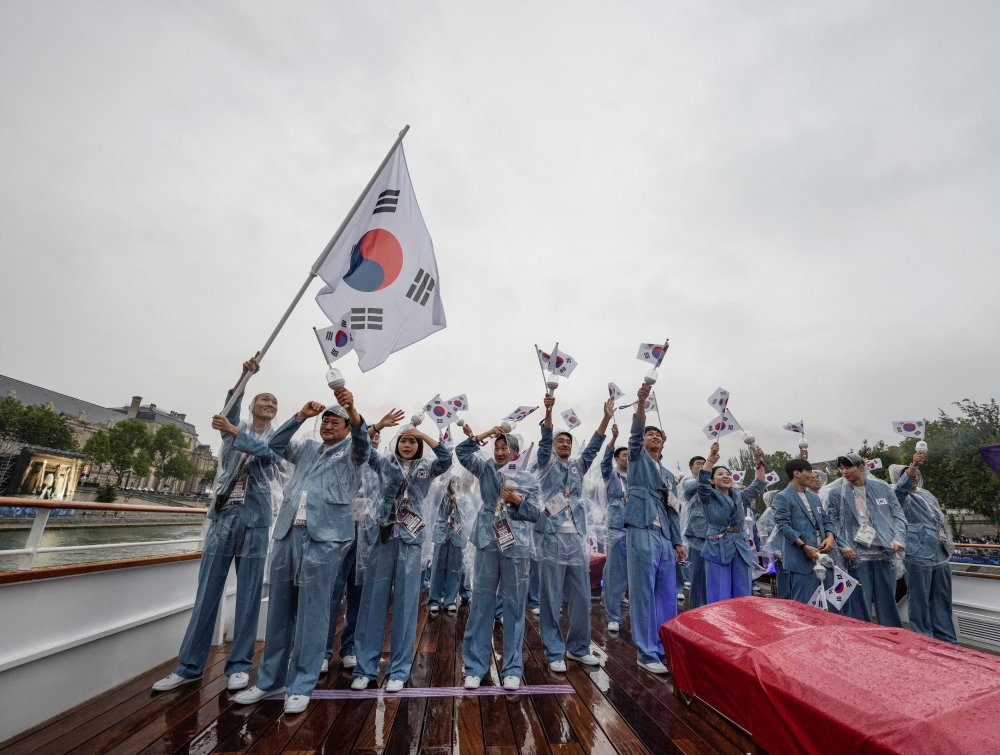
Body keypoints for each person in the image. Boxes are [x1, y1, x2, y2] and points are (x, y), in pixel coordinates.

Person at [233, 387, 372, 715]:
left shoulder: (354, 451)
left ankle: (302, 682)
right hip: (287, 533)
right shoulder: (307, 448)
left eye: (335, 422)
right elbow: (275, 445)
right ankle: (270, 679)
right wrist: (300, 416)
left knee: (314, 611)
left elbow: (364, 441)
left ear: (346, 428)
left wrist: (352, 410)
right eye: (325, 420)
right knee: (279, 609)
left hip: (324, 540)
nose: (328, 425)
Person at [153, 356, 280, 693]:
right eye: (264, 399)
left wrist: (235, 431)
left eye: (275, 402)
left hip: (256, 520)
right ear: (253, 406)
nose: (270, 403)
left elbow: (268, 458)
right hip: (225, 516)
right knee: (207, 591)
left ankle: (239, 665)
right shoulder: (230, 430)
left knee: (250, 594)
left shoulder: (278, 438)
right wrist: (245, 375)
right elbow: (230, 409)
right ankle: (189, 665)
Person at [351, 426, 452, 690]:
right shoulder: (385, 463)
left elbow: (446, 460)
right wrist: (377, 427)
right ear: (396, 444)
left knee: (407, 605)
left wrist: (425, 437)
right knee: (373, 603)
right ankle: (365, 668)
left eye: (412, 441)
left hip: (411, 539)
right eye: (404, 441)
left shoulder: (426, 468)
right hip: (384, 537)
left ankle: (398, 670)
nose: (408, 445)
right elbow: (362, 448)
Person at [456, 422, 540, 691]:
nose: (501, 451)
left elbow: (536, 514)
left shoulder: (527, 477)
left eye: (506, 447)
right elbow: (462, 451)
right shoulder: (486, 468)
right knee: (481, 603)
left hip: (516, 544)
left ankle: (513, 668)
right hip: (486, 539)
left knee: (515, 605)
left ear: (516, 452)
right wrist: (487, 433)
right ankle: (475, 666)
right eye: (498, 447)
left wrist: (518, 501)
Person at [322, 410, 405, 675]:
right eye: (370, 435)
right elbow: (357, 443)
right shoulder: (346, 459)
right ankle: (322, 651)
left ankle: (349, 649)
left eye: (378, 436)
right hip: (339, 532)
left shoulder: (382, 466)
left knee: (358, 596)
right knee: (331, 594)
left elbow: (397, 484)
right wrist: (375, 426)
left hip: (367, 537)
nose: (374, 439)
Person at [533, 395, 610, 671]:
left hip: (575, 537)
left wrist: (606, 418)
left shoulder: (577, 466)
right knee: (551, 596)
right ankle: (554, 651)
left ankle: (578, 647)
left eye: (568, 441)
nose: (565, 444)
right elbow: (544, 442)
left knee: (581, 595)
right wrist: (549, 411)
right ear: (554, 446)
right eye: (560, 441)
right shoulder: (545, 463)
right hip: (551, 536)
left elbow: (592, 449)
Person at [625, 383, 686, 674]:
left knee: (666, 592)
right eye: (650, 433)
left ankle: (664, 645)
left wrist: (677, 542)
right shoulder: (637, 460)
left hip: (664, 536)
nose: (654, 436)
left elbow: (674, 510)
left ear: (664, 442)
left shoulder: (669, 475)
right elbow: (635, 434)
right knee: (642, 591)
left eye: (658, 434)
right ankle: (645, 651)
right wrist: (641, 402)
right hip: (641, 527)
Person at [822, 453, 906, 626]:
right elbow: (830, 522)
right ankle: (862, 637)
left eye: (848, 467)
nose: (844, 472)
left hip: (885, 549)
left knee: (887, 598)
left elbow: (898, 515)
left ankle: (893, 637)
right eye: (841, 468)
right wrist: (843, 545)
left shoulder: (882, 488)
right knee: (860, 599)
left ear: (861, 467)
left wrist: (898, 538)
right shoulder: (836, 493)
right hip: (855, 552)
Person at [890, 453, 958, 643]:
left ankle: (947, 640)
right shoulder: (897, 496)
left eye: (915, 474)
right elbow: (901, 491)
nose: (913, 478)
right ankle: (923, 640)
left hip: (940, 553)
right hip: (917, 555)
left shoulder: (926, 494)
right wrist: (914, 464)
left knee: (942, 601)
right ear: (900, 479)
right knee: (919, 601)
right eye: (908, 475)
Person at [697, 441, 766, 604]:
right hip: (717, 547)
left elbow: (759, 485)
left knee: (743, 591)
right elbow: (702, 483)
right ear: (712, 481)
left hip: (740, 546)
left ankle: (742, 624)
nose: (726, 476)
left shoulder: (739, 495)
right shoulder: (708, 497)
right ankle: (719, 626)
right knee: (719, 591)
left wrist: (759, 461)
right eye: (720, 474)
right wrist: (710, 460)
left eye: (728, 473)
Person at [772, 457, 837, 604]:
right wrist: (804, 546)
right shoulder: (782, 497)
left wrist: (831, 536)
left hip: (824, 555)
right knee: (804, 606)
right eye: (808, 471)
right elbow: (783, 526)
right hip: (801, 559)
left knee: (831, 604)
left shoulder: (814, 497)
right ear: (797, 473)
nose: (812, 475)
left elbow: (826, 520)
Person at [600, 424, 629, 632]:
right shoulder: (612, 476)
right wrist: (613, 439)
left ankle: (621, 596)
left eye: (630, 455)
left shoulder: (637, 477)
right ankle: (613, 614)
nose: (628, 458)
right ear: (617, 459)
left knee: (631, 572)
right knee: (614, 573)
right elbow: (604, 463)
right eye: (624, 456)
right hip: (616, 529)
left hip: (636, 529)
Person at [428, 475, 470, 614]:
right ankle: (434, 599)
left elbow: (468, 514)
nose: (455, 484)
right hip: (441, 534)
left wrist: (458, 502)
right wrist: (440, 487)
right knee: (437, 567)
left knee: (455, 569)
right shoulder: (440, 494)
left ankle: (450, 600)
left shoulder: (464, 497)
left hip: (457, 536)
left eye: (458, 481)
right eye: (452, 481)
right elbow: (431, 505)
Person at [679, 456, 708, 608]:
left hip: (712, 534)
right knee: (697, 572)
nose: (702, 466)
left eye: (704, 463)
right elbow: (693, 488)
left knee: (708, 574)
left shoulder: (710, 482)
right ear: (691, 468)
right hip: (696, 533)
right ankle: (696, 607)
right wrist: (708, 468)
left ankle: (707, 605)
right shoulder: (687, 481)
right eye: (699, 464)